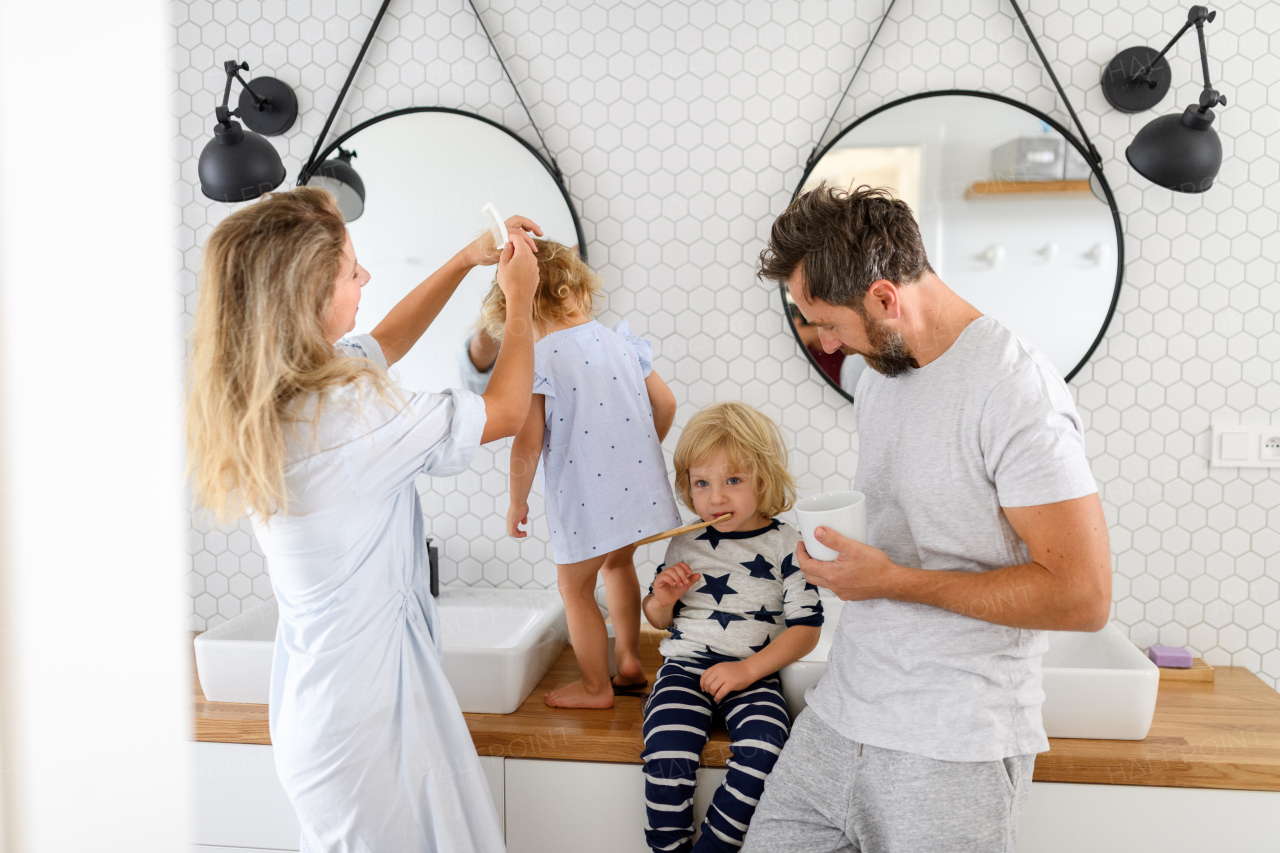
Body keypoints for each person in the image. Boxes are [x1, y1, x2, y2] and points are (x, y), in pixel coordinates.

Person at [744, 185, 1111, 853]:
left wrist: (890, 579)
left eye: (827, 321)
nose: (824, 342)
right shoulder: (879, 376)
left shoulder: (1014, 389)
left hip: (953, 742)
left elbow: (1083, 596)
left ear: (885, 298)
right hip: (840, 718)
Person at [186, 186, 543, 853]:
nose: (367, 278)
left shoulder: (294, 389)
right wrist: (519, 300)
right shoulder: (346, 417)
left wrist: (469, 258)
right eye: (353, 271)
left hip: (336, 712)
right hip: (363, 726)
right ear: (308, 298)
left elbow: (386, 340)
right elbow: (506, 412)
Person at [488, 239, 681, 709]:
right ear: (576, 288)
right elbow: (667, 403)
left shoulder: (541, 360)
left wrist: (517, 501)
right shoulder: (620, 342)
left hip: (587, 499)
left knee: (574, 588)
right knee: (619, 565)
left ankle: (596, 687)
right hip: (635, 489)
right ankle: (630, 661)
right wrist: (639, 449)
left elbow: (528, 441)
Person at [641, 401, 822, 853]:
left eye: (733, 481)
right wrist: (661, 599)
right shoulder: (684, 541)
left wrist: (746, 672)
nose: (716, 497)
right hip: (684, 670)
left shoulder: (788, 545)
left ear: (764, 478)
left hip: (753, 673)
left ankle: (715, 847)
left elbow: (807, 629)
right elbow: (659, 620)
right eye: (702, 483)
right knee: (666, 747)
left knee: (766, 749)